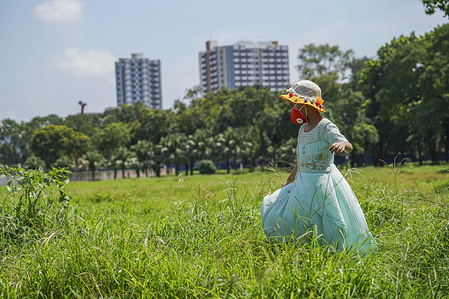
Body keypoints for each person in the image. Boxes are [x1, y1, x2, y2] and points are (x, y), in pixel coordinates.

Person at [261, 80, 377, 254]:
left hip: (323, 182)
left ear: (306, 105)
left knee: (329, 219)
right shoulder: (303, 129)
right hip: (303, 183)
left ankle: (333, 252)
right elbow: (301, 158)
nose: (293, 108)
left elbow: (346, 143)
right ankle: (307, 251)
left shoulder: (325, 126)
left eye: (295, 104)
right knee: (297, 217)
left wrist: (342, 145)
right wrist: (290, 178)